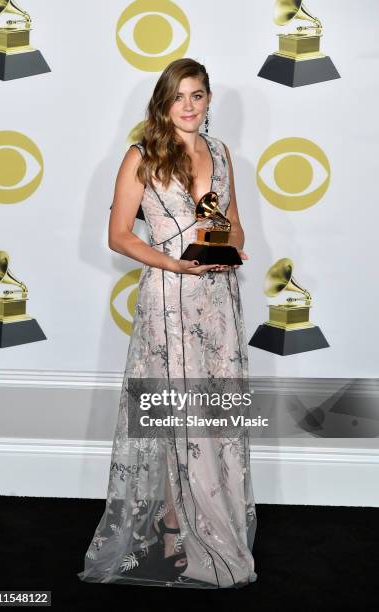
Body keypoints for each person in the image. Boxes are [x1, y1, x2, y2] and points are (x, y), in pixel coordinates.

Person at [77, 58, 258, 589]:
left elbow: (236, 225)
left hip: (219, 298)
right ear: (163, 101)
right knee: (174, 412)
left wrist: (227, 250)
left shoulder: (222, 153)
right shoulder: (142, 155)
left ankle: (193, 520)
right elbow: (118, 235)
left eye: (197, 96)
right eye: (178, 96)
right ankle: (176, 523)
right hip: (169, 297)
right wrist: (174, 262)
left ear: (208, 101)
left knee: (212, 410)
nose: (188, 106)